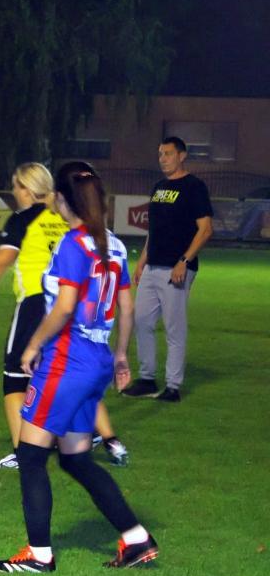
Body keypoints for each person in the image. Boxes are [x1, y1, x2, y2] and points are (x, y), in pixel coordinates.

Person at [0, 162, 157, 574]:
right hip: (97, 359)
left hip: (66, 362)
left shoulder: (73, 243)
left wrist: (33, 344)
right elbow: (126, 307)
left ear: (63, 200)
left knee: (31, 456)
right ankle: (136, 537)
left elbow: (65, 307)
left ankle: (39, 555)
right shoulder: (114, 244)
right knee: (76, 459)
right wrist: (121, 356)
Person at [0, 163, 128, 469]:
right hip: (73, 303)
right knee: (72, 373)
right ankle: (108, 438)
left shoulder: (23, 220)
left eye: (17, 186)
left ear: (28, 189)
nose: (14, 192)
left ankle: (22, 451)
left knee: (14, 380)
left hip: (37, 302)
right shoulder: (64, 218)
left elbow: (4, 259)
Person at [121, 136, 213, 402]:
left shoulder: (194, 186)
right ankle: (147, 379)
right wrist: (142, 262)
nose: (163, 159)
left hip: (177, 269)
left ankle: (173, 387)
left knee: (174, 328)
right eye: (160, 154)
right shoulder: (159, 187)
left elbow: (205, 229)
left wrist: (184, 261)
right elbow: (154, 230)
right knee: (142, 322)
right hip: (153, 267)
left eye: (168, 154)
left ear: (182, 156)